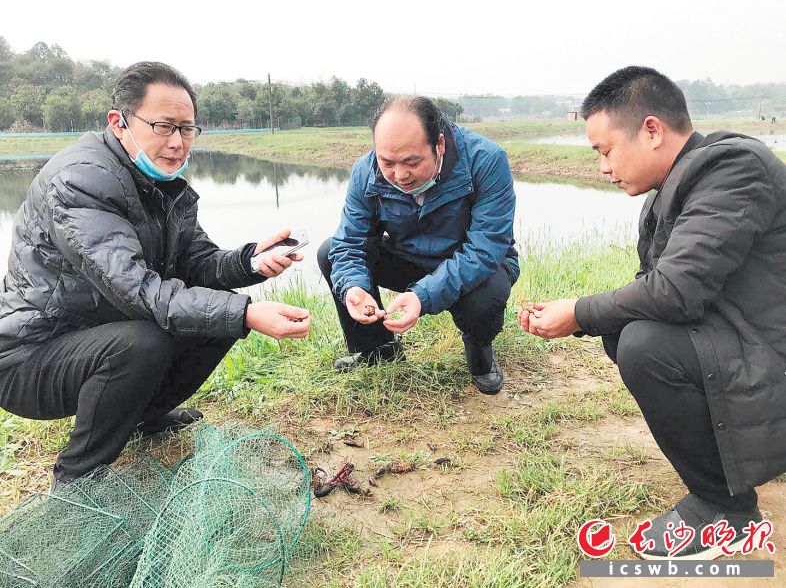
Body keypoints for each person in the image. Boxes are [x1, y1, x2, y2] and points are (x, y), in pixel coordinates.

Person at [0, 61, 311, 491]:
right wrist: (248, 313)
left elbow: (198, 261)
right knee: (146, 341)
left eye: (187, 129)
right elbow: (138, 291)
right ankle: (77, 477)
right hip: (30, 358)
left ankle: (147, 414)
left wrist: (249, 262)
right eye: (164, 127)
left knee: (215, 310)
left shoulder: (161, 180)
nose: (177, 143)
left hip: (99, 330)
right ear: (120, 122)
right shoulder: (80, 181)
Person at [518, 66, 786, 560]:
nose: (603, 167)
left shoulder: (733, 169)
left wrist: (578, 312)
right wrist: (580, 319)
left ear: (652, 129)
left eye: (605, 150)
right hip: (749, 337)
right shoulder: (684, 180)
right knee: (625, 333)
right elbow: (660, 289)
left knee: (643, 346)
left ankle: (723, 510)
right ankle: (738, 461)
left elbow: (675, 293)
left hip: (771, 351)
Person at [317, 96, 518, 394]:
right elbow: (350, 242)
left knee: (486, 294)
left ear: (439, 145)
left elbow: (485, 248)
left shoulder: (486, 160)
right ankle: (378, 348)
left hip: (473, 262)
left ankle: (479, 350)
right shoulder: (365, 171)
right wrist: (353, 287)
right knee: (330, 252)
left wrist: (422, 297)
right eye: (387, 162)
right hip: (409, 258)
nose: (400, 175)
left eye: (412, 162)